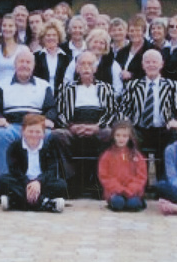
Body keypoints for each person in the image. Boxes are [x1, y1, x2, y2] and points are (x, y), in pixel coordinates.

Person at [0, 48, 57, 186]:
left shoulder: (43, 85)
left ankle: (41, 182)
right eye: (21, 61)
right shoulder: (2, 84)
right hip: (12, 125)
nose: (24, 65)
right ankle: (6, 183)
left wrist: (49, 119)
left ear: (33, 66)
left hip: (35, 125)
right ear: (15, 64)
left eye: (28, 62)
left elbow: (51, 108)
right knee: (0, 134)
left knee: (50, 134)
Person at [54, 51, 117, 194]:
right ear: (76, 68)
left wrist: (97, 127)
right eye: (82, 64)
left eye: (90, 64)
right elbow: (60, 112)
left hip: (98, 127)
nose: (86, 67)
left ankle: (99, 180)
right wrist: (71, 126)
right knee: (57, 135)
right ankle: (71, 179)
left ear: (96, 68)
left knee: (109, 133)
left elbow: (112, 112)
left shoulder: (106, 88)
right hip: (73, 126)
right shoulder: (66, 88)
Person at [119, 48, 177, 164]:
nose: (151, 65)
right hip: (139, 128)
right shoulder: (132, 85)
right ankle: (138, 179)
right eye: (148, 62)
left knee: (175, 135)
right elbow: (124, 108)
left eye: (154, 62)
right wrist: (126, 121)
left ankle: (165, 178)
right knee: (127, 134)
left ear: (161, 64)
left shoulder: (172, 85)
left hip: (164, 129)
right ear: (143, 65)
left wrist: (175, 121)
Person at [0, 113, 68, 213]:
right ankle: (45, 203)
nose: (34, 135)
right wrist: (28, 184)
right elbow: (14, 170)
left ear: (43, 134)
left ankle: (15, 202)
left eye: (38, 132)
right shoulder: (15, 147)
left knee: (61, 185)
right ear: (23, 132)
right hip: (22, 181)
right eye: (30, 131)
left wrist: (38, 182)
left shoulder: (49, 147)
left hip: (41, 183)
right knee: (3, 181)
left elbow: (51, 170)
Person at [98, 119, 148, 212]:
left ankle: (138, 201)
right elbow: (104, 177)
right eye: (118, 135)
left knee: (133, 204)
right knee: (118, 203)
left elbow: (141, 177)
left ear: (130, 137)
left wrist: (131, 189)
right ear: (113, 136)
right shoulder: (107, 155)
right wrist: (119, 189)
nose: (121, 139)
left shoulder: (137, 156)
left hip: (132, 192)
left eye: (124, 136)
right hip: (114, 192)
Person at [62, 29, 124, 94]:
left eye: (101, 43)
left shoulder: (112, 63)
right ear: (89, 43)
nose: (98, 45)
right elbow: (67, 81)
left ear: (106, 46)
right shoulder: (78, 59)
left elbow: (118, 88)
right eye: (95, 42)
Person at [33, 19, 71, 95]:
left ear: (59, 37)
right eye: (48, 35)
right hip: (41, 95)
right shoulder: (35, 57)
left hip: (61, 97)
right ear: (43, 38)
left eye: (54, 35)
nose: (51, 38)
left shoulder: (67, 58)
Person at [0, 13, 24, 89]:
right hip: (0, 90)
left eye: (10, 26)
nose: (7, 28)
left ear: (16, 29)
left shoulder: (23, 50)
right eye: (4, 25)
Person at [116, 15, 151, 83]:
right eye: (131, 31)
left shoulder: (151, 49)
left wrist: (132, 75)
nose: (134, 33)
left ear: (143, 32)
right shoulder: (122, 52)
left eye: (138, 30)